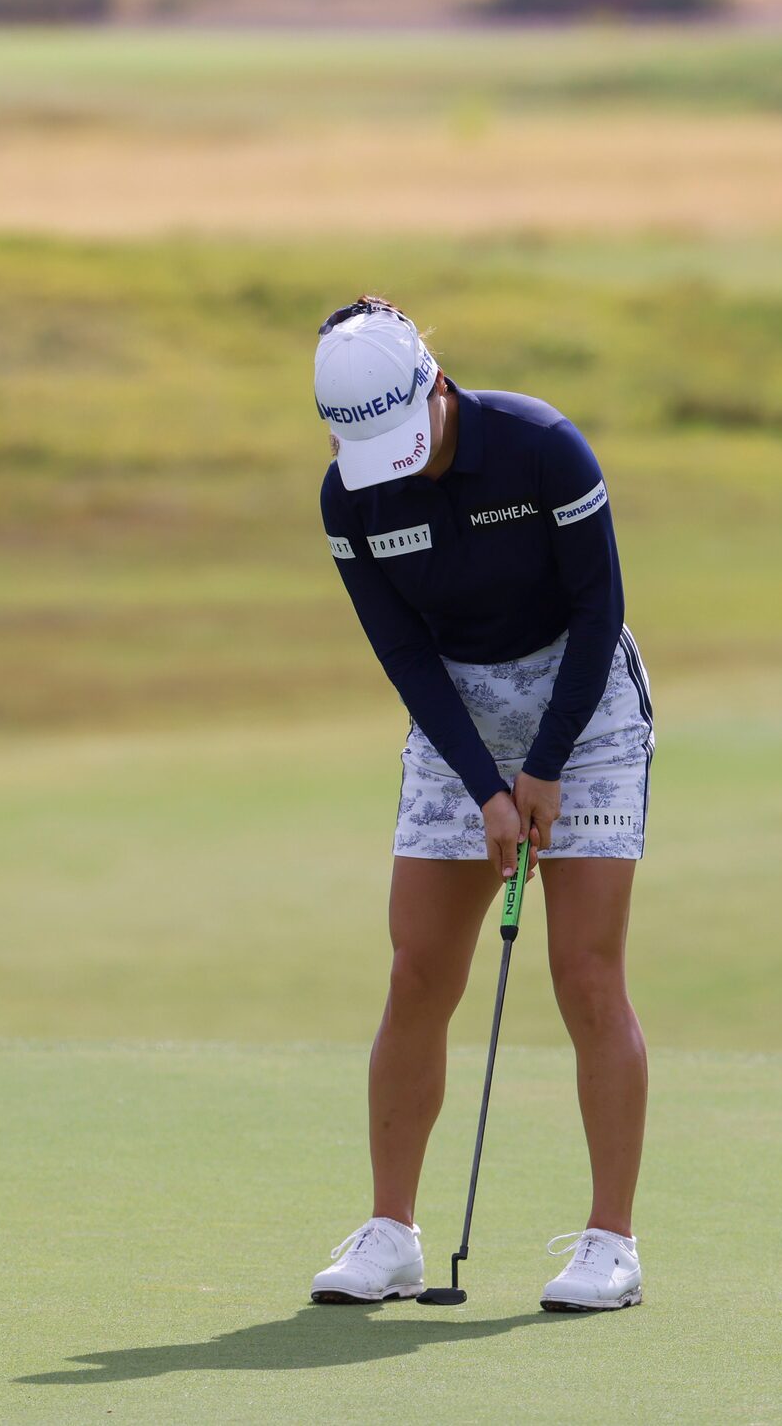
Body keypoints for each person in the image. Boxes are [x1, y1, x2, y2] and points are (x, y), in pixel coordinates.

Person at [305, 297, 653, 1314]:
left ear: (435, 383)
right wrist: (482, 785)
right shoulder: (348, 500)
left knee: (585, 972)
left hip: (580, 714)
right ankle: (390, 1234)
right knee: (417, 968)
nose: (397, 466)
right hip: (456, 716)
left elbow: (599, 614)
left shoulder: (541, 449)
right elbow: (403, 654)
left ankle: (611, 1245)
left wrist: (541, 768)